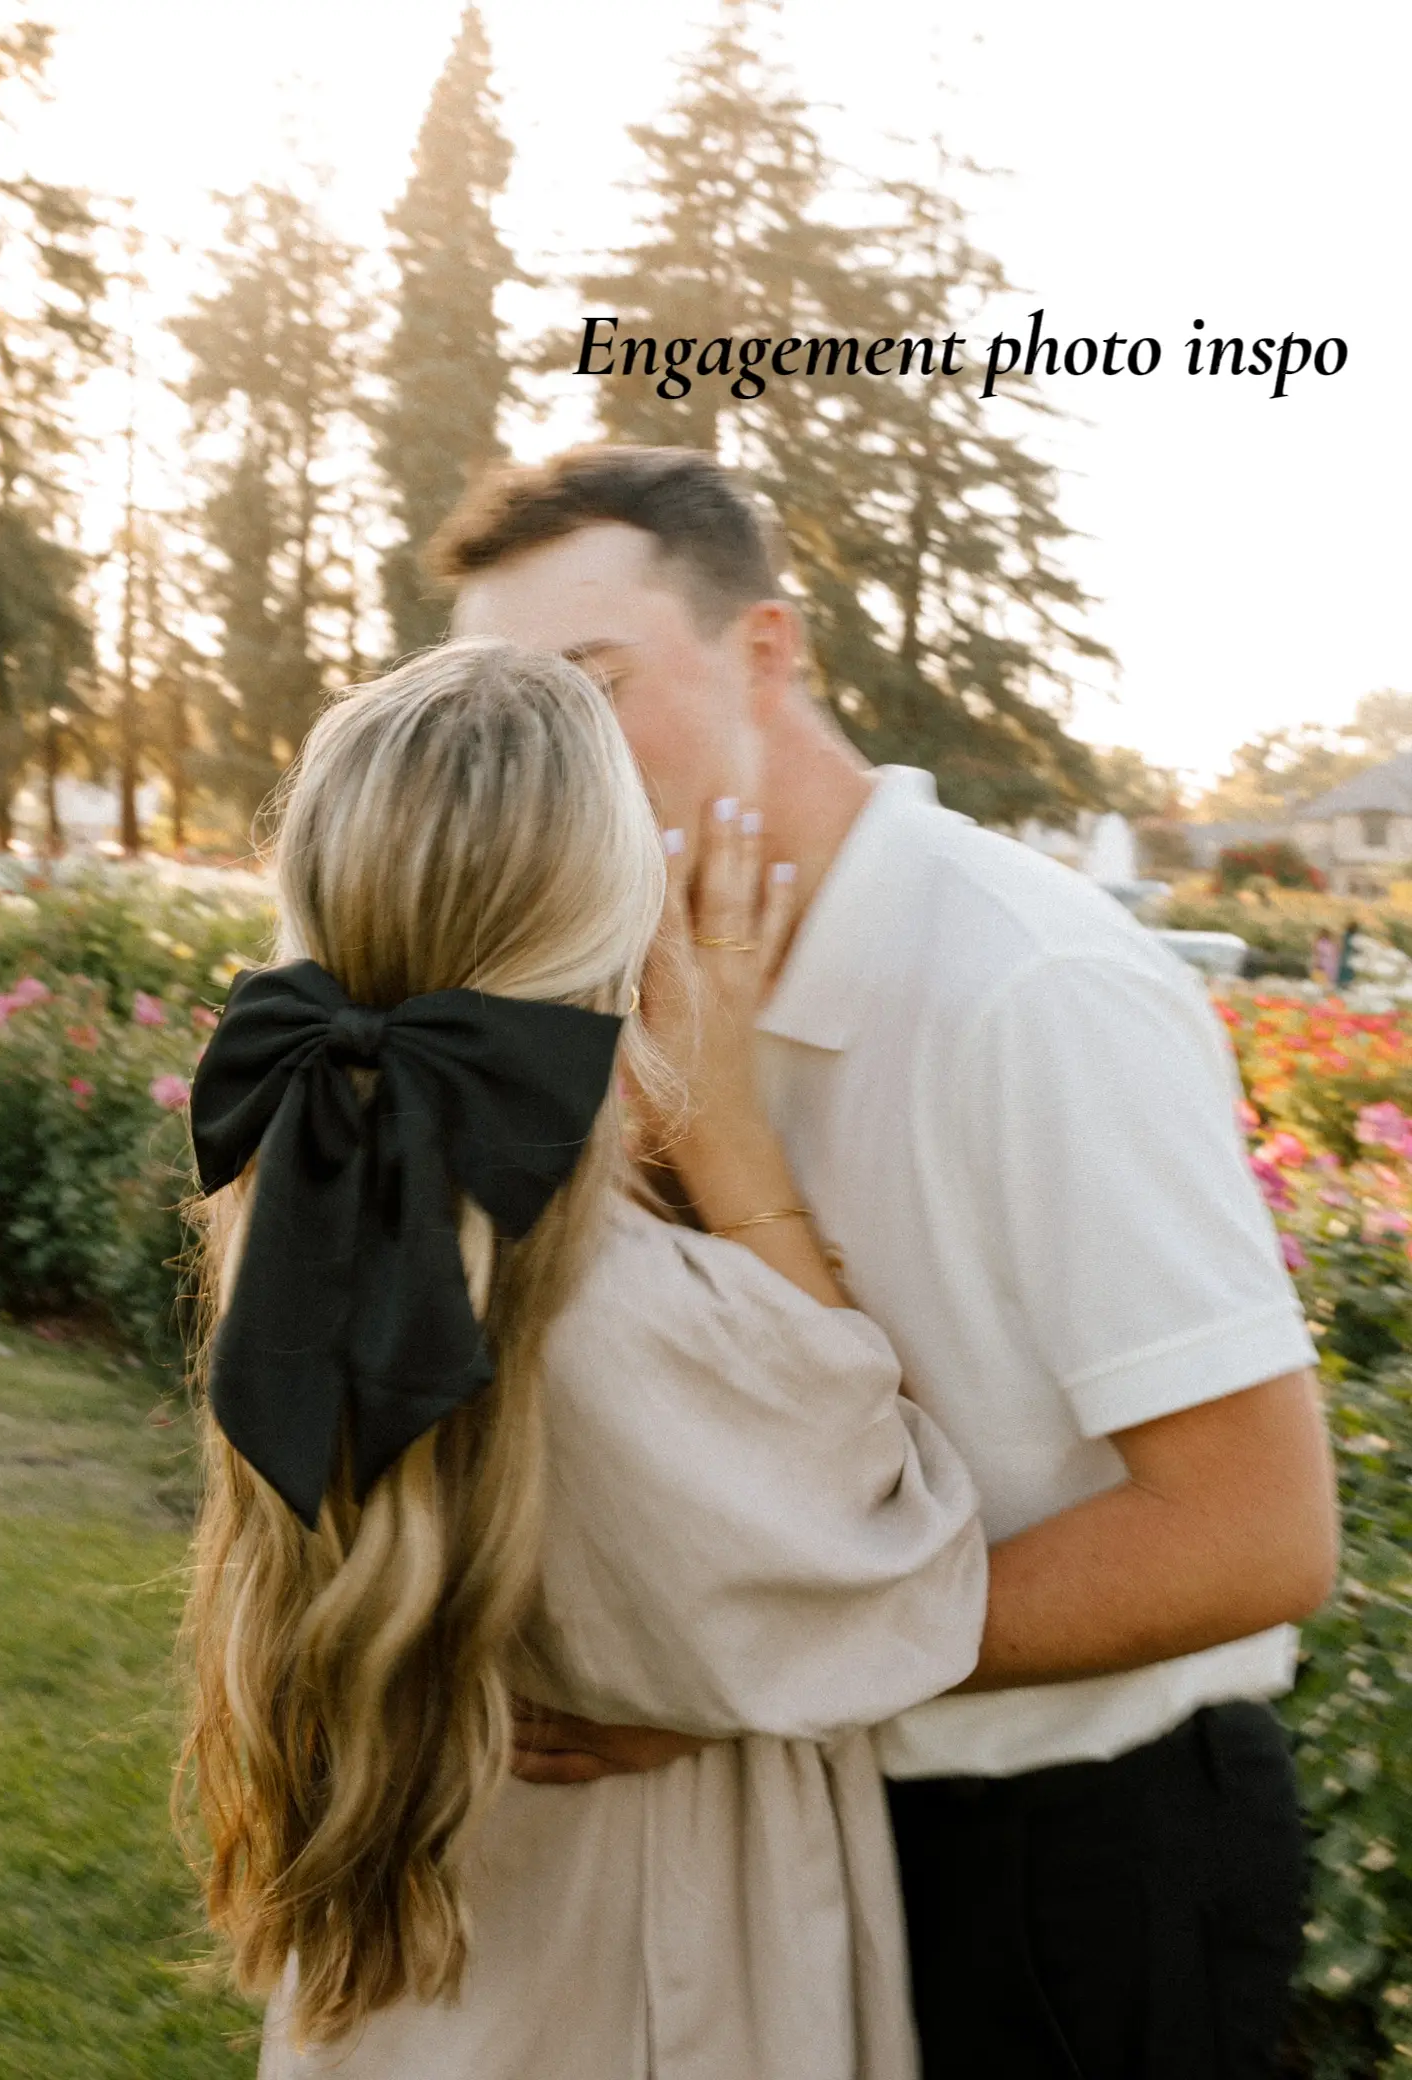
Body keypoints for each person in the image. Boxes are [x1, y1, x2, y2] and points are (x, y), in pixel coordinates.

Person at [431, 444, 1341, 2079]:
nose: (542, 769)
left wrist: (755, 1666)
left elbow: (1253, 1535)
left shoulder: (1029, 987)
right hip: (777, 1833)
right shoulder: (610, 976)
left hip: (1068, 1859)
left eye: (592, 689)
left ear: (764, 653)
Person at [180, 639, 986, 2080]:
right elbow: (899, 1536)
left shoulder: (311, 1230)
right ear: (627, 931)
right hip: (636, 1986)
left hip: (414, 1993)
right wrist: (731, 1135)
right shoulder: (629, 1319)